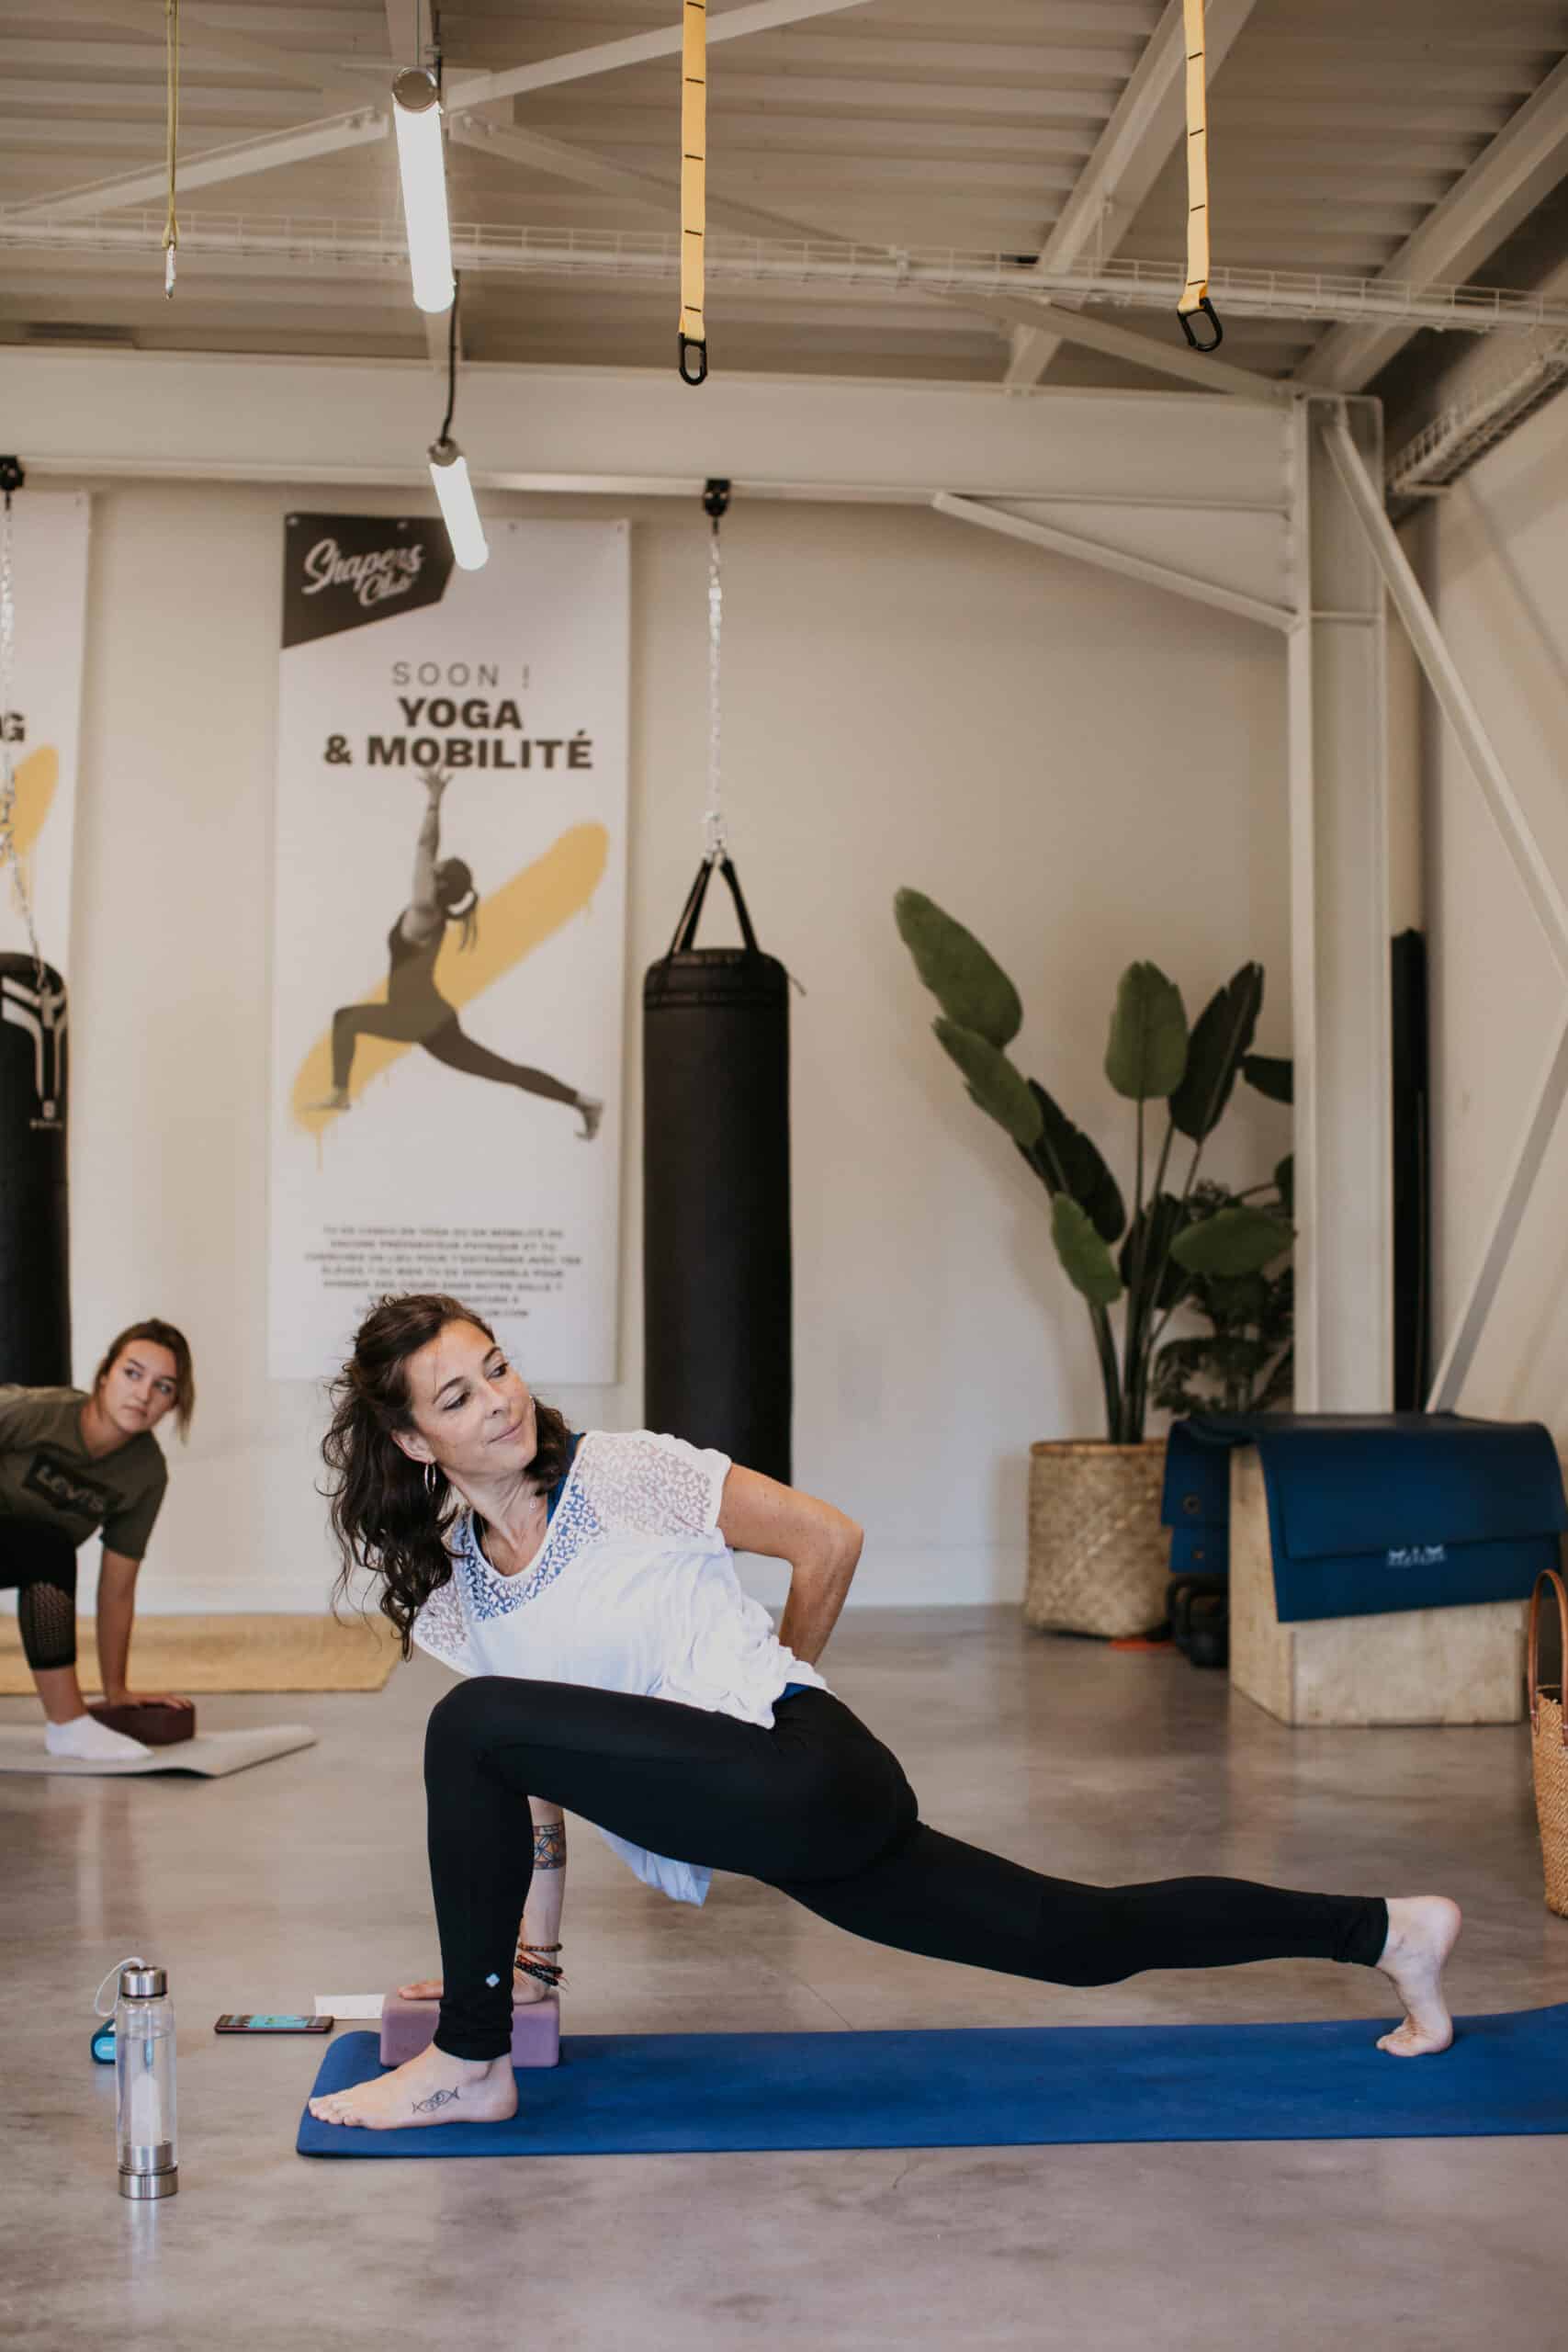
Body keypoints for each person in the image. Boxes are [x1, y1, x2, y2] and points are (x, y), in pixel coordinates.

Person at [310, 1293, 1462, 2133]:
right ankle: (1388, 1929)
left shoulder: (620, 1474)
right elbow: (539, 1787)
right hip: (750, 1817)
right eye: (458, 1395)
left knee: (468, 1728)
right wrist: (537, 1973)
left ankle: (470, 2057)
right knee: (1076, 1940)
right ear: (417, 1442)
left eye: (497, 1366)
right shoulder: (465, 1598)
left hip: (801, 1770)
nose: (500, 1399)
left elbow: (829, 1536)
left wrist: (772, 1687)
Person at [310, 770, 601, 1137]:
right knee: (503, 1071)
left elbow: (423, 847)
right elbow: (427, 855)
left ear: (441, 883)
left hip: (417, 1017)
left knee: (345, 1019)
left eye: (438, 869)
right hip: (430, 1017)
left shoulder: (424, 911)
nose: (431, 867)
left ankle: (339, 1094)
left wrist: (434, 801)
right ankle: (581, 1101)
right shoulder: (433, 915)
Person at [0, 1320, 196, 1761]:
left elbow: (117, 1589)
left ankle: (69, 1726)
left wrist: (116, 1690)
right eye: (133, 1373)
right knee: (44, 1546)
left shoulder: (145, 1475)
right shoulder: (32, 1412)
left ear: (173, 1403)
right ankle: (68, 1724)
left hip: (16, 1551)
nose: (143, 1394)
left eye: (163, 1386)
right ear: (104, 1374)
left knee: (45, 1549)